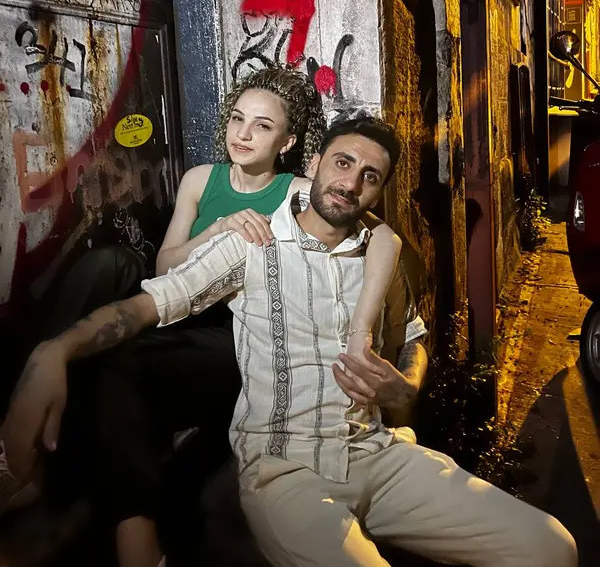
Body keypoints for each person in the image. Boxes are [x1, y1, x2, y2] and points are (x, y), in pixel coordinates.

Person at [2, 116, 576, 567]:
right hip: (286, 468)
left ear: (378, 192)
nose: (350, 182)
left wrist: (406, 386)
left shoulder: (382, 255)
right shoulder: (252, 243)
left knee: (552, 548)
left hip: (380, 454)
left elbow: (416, 341)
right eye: (343, 163)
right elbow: (143, 306)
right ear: (316, 164)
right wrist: (54, 350)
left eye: (369, 176)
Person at [1, 68, 414, 567]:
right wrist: (220, 228)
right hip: (182, 310)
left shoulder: (301, 191)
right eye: (238, 119)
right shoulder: (201, 178)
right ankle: (22, 424)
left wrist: (361, 330)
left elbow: (383, 236)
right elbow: (166, 265)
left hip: (236, 329)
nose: (243, 133)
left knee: (114, 363)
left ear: (287, 142)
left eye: (262, 126)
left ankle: (119, 527)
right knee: (109, 269)